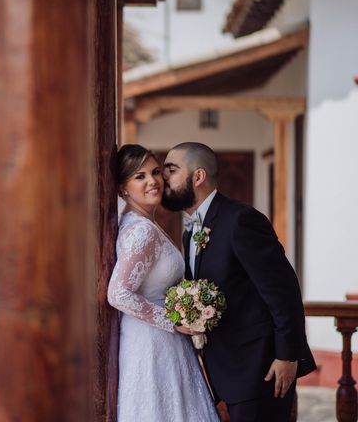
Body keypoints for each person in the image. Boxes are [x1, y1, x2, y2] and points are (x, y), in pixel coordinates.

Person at [162, 142, 316, 422]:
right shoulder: (191, 231)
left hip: (261, 367)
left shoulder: (240, 220)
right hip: (225, 368)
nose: (163, 179)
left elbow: (283, 291)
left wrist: (287, 356)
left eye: (170, 171)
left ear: (198, 177)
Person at [107, 144, 220, 422]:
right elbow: (118, 293)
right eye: (140, 176)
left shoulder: (143, 223)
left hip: (160, 340)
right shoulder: (142, 230)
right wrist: (173, 321)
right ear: (123, 188)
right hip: (152, 342)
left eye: (155, 172)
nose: (152, 181)